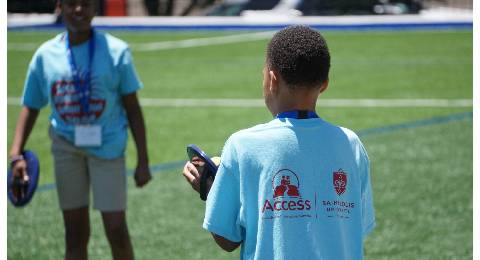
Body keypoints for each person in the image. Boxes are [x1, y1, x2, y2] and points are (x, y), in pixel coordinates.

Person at [183, 25, 375, 260]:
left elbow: (228, 239)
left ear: (272, 79)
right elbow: (355, 227)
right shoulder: (351, 145)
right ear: (324, 83)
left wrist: (209, 189)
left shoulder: (243, 145)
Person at [9, 0, 151, 259]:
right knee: (74, 232)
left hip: (108, 149)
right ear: (59, 7)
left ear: (95, 9)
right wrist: (16, 153)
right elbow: (30, 105)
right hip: (66, 148)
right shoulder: (45, 55)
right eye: (72, 4)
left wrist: (143, 160)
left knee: (116, 229)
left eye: (86, 4)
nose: (78, 10)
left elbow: (133, 109)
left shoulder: (117, 51)